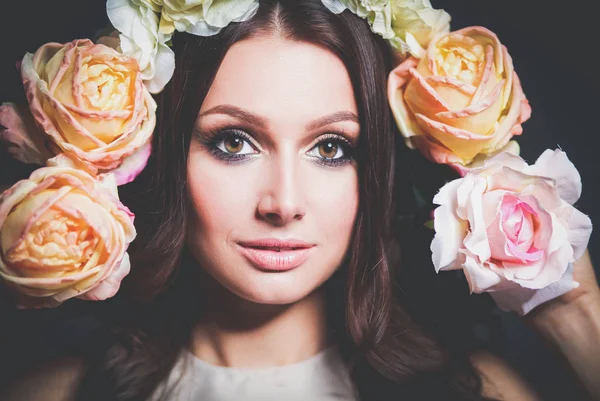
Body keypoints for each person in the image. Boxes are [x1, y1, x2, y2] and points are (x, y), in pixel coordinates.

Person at [1, 1, 599, 400]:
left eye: (333, 148)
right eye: (234, 142)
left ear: (378, 171)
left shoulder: (480, 391)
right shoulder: (51, 393)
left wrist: (577, 314)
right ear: (164, 156)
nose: (284, 203)